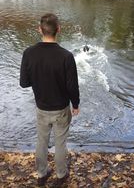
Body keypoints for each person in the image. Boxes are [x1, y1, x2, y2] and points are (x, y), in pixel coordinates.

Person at [20, 13, 80, 187]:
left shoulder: (29, 53)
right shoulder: (66, 56)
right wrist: (75, 104)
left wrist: (38, 77)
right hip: (61, 108)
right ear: (58, 30)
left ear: (39, 29)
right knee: (60, 142)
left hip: (42, 107)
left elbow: (24, 83)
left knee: (42, 141)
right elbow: (72, 86)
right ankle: (61, 175)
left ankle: (41, 173)